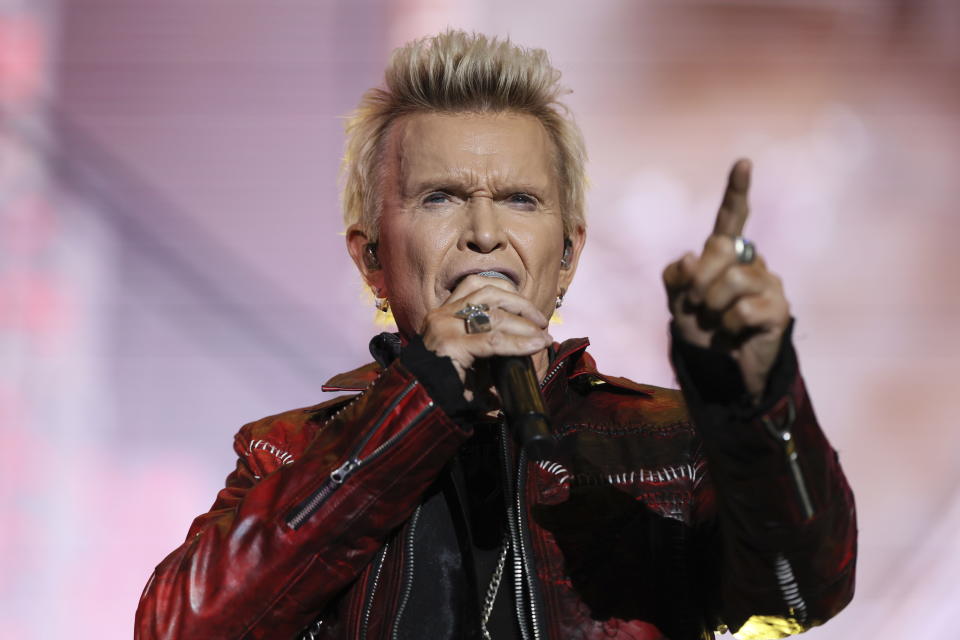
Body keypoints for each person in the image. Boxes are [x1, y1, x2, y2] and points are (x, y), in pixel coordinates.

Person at [135, 30, 856, 640]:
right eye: (440, 197)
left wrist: (749, 398)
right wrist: (422, 403)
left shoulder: (670, 444)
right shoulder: (287, 453)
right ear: (371, 260)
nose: (483, 234)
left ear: (568, 255)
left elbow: (801, 590)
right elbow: (177, 627)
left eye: (519, 199)